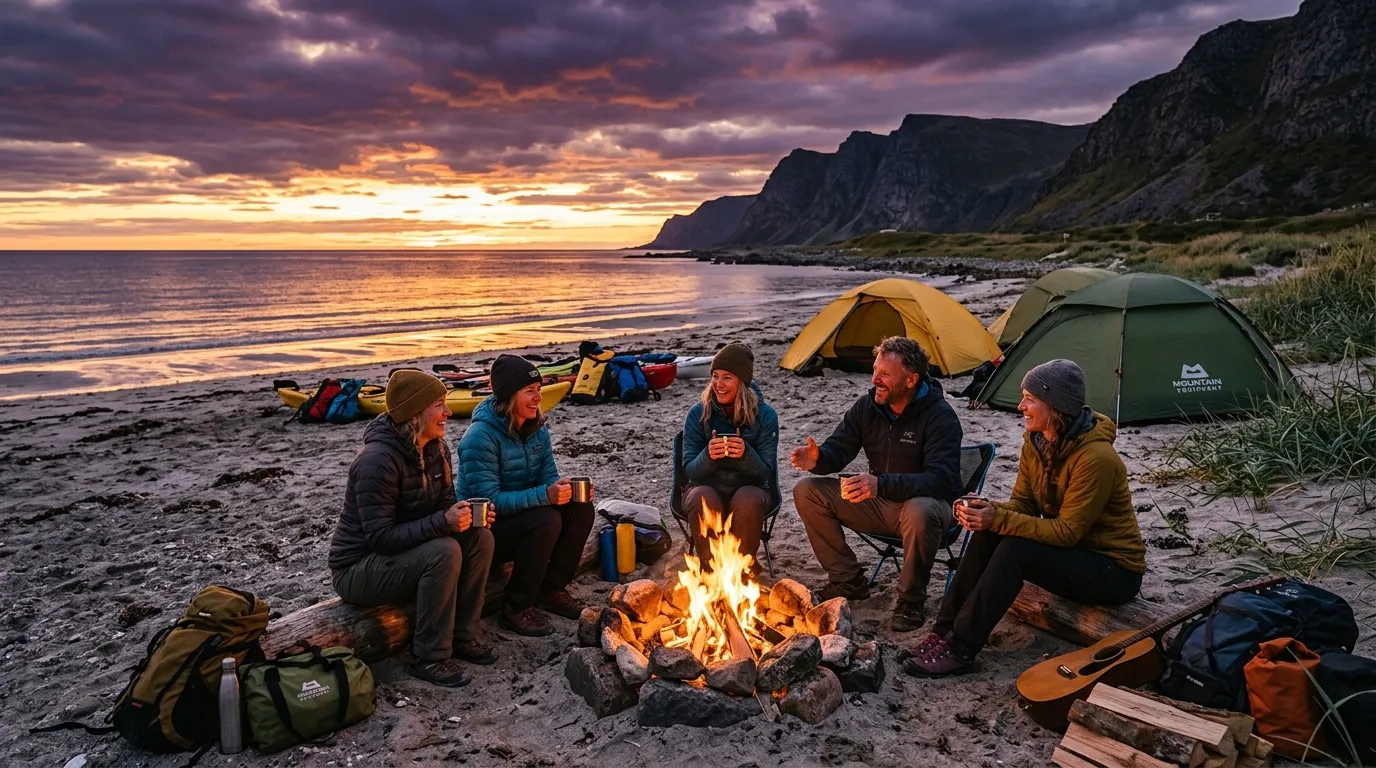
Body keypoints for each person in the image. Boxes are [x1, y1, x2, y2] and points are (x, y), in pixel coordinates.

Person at [904, 359, 1146, 678]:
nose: (1021, 406)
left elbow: (1067, 533)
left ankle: (962, 648)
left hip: (1113, 570)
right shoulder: (1037, 442)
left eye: (1029, 399)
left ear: (1054, 404)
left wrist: (997, 518)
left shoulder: (1096, 459)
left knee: (1016, 549)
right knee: (989, 534)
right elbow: (1024, 504)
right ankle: (943, 634)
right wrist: (986, 510)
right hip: (1074, 554)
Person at [329, 369, 496, 688]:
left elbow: (444, 505)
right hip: (357, 567)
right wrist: (443, 523)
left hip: (404, 553)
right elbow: (380, 538)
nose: (448, 412)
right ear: (415, 413)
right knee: (444, 551)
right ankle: (430, 657)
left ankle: (463, 635)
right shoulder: (376, 461)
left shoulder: (437, 448)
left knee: (480, 538)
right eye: (439, 404)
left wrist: (465, 517)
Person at [791, 336, 963, 633]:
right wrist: (818, 459)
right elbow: (839, 449)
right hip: (879, 505)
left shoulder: (939, 416)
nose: (875, 380)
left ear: (911, 380)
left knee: (919, 510)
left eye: (884, 375)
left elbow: (942, 480)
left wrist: (880, 484)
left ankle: (911, 600)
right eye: (874, 371)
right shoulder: (868, 406)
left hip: (928, 508)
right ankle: (848, 579)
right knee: (807, 491)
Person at [458, 354, 595, 638]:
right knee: (546, 519)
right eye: (529, 391)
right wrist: (546, 496)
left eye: (539, 390)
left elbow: (547, 479)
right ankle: (516, 607)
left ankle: (551, 589)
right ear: (510, 396)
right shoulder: (479, 438)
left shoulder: (537, 430)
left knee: (581, 509)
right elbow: (489, 499)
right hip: (484, 530)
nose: (537, 398)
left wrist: (564, 491)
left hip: (524, 517)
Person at [680, 343, 779, 566]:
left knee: (747, 500)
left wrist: (745, 454)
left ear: (742, 381)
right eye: (715, 376)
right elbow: (689, 469)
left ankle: (741, 569)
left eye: (727, 377)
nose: (718, 384)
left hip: (750, 488)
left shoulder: (764, 415)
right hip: (704, 486)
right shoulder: (698, 413)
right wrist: (708, 455)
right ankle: (709, 568)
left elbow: (765, 472)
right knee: (702, 497)